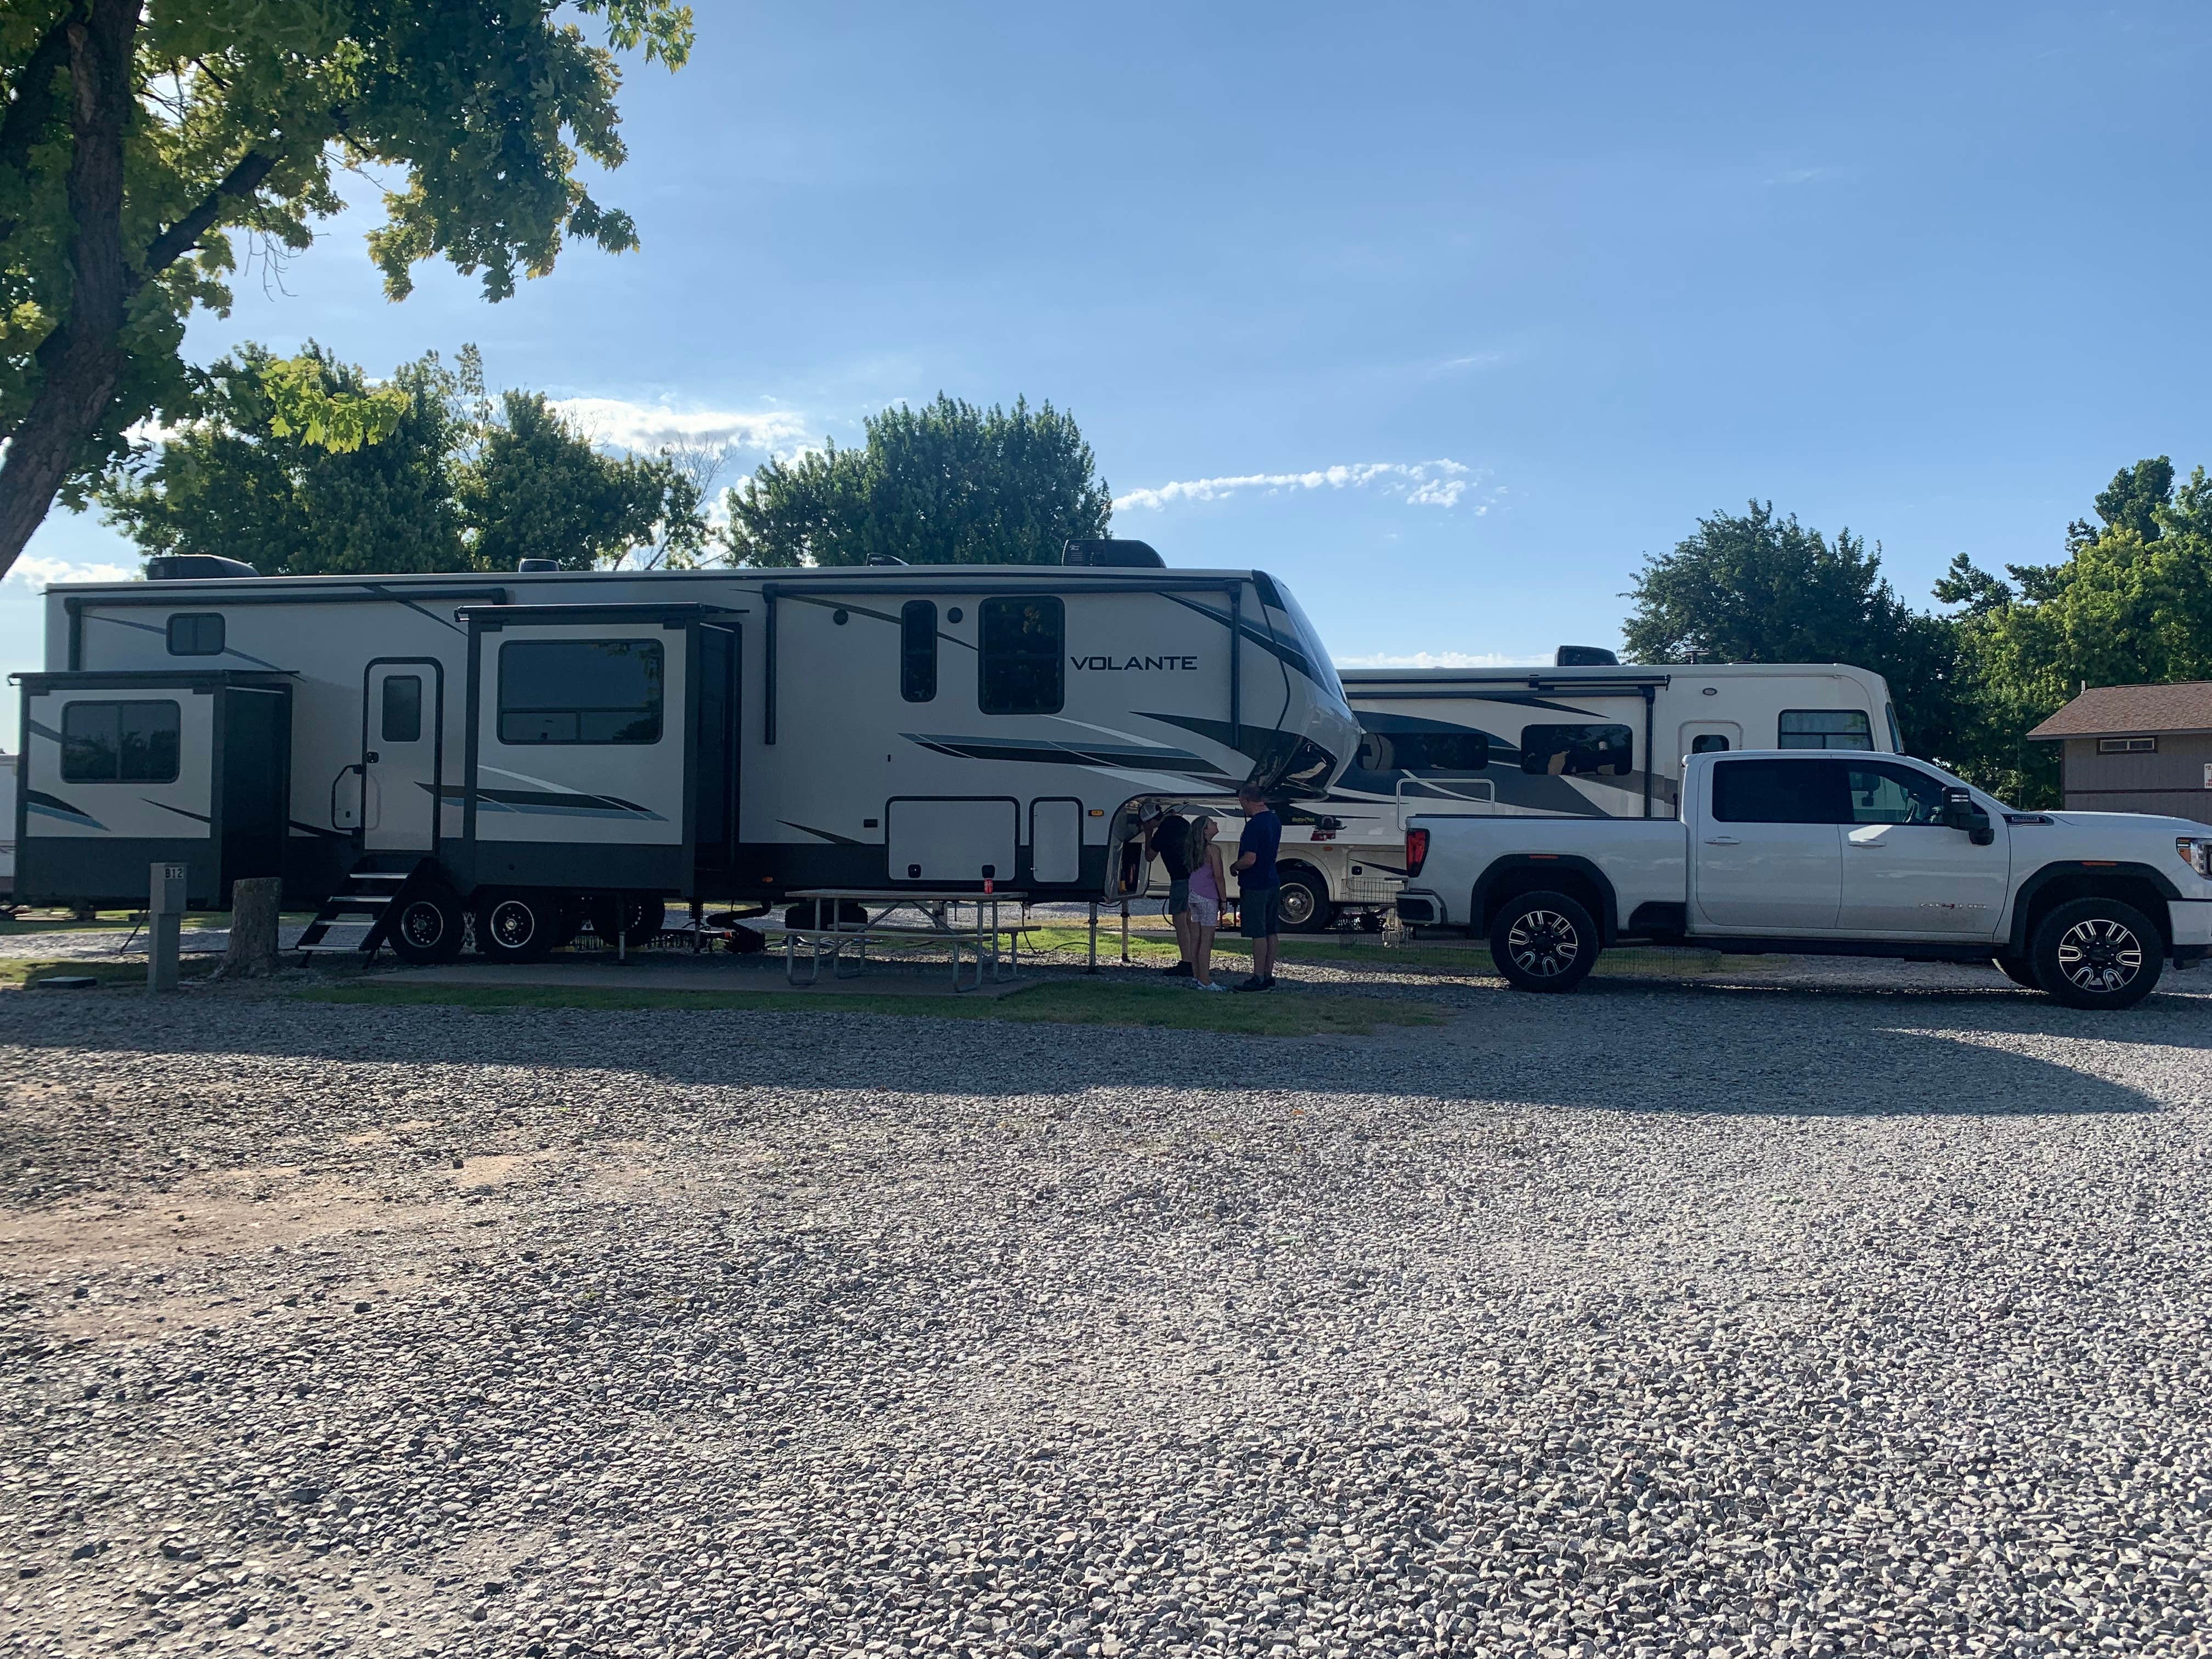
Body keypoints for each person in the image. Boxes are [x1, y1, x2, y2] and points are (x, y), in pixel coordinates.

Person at [1231, 783, 1282, 991]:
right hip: (1272, 879)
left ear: (1247, 801)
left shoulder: (1254, 825)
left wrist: (1235, 866)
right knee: (1271, 929)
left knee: (1257, 931)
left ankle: (1258, 976)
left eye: (1242, 803)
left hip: (1255, 884)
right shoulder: (1274, 820)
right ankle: (1269, 974)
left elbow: (1250, 859)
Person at [1183, 815, 1230, 990]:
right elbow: (1219, 877)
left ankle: (1196, 976)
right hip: (1208, 897)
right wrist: (1223, 899)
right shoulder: (1213, 850)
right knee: (1207, 941)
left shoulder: (1193, 849)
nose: (1216, 824)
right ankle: (1206, 981)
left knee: (1195, 939)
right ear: (1205, 831)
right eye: (1212, 823)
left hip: (1193, 895)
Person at [1149, 804, 1194, 977]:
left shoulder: (1162, 831)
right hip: (1193, 876)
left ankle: (1187, 962)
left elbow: (1150, 856)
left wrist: (1148, 834)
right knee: (1189, 918)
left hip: (1179, 878)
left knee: (1179, 920)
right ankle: (1195, 958)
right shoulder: (1182, 823)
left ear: (1152, 821)